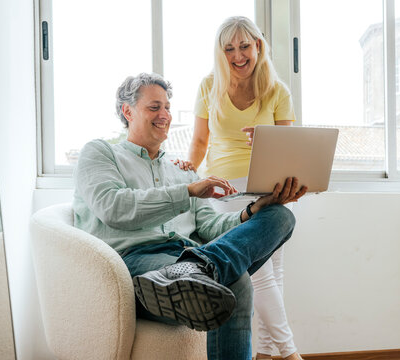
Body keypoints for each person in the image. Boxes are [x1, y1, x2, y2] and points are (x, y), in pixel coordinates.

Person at [72, 72, 307, 360]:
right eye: (154, 107)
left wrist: (253, 210)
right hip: (136, 267)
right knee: (238, 281)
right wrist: (187, 191)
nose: (165, 115)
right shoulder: (101, 153)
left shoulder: (181, 170)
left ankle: (200, 267)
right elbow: (113, 207)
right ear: (127, 111)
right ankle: (200, 268)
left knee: (280, 216)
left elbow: (211, 227)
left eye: (168, 107)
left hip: (186, 259)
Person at [179, 16, 301, 360]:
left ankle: (265, 355)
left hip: (270, 189)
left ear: (257, 46)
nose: (237, 55)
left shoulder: (277, 90)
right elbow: (200, 140)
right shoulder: (208, 85)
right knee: (259, 276)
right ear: (221, 52)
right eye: (229, 48)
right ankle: (291, 354)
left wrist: (266, 140)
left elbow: (289, 147)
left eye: (244, 46)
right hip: (225, 191)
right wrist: (190, 170)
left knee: (273, 274)